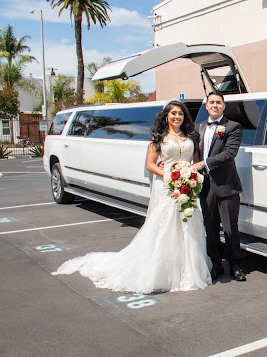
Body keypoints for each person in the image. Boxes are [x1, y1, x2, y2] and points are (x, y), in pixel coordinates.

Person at [52, 100, 212, 293]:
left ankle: (188, 269)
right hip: (166, 186)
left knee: (187, 224)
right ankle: (161, 270)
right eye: (173, 114)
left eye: (180, 114)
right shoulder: (159, 138)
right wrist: (169, 176)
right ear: (166, 117)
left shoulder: (191, 137)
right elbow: (150, 165)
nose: (177, 117)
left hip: (187, 187)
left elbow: (194, 162)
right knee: (164, 226)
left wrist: (190, 176)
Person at [194, 91, 246, 281]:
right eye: (211, 102)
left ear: (224, 106)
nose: (215, 105)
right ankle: (215, 264)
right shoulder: (198, 127)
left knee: (230, 227)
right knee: (211, 227)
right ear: (206, 106)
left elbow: (229, 153)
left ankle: (235, 265)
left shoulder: (233, 127)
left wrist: (202, 164)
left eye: (218, 102)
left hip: (226, 185)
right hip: (205, 186)